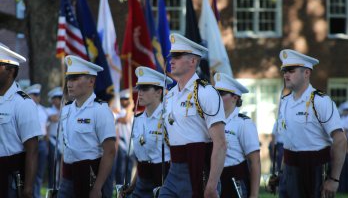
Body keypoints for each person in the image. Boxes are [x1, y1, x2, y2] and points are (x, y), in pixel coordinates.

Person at [159, 33, 227, 198]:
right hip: (174, 170)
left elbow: (220, 143)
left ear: (193, 61)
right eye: (170, 56)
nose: (171, 60)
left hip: (198, 169)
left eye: (177, 56)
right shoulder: (169, 96)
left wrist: (211, 185)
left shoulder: (206, 92)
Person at [276, 49, 347, 198]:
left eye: (291, 70)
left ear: (306, 73)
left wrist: (334, 179)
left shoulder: (320, 101)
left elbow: (340, 139)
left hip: (315, 170)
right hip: (290, 169)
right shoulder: (285, 101)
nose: (286, 75)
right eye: (284, 71)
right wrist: (280, 173)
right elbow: (289, 140)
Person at [57, 55, 116, 198]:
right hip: (67, 179)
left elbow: (109, 151)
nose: (69, 84)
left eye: (75, 78)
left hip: (91, 178)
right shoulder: (66, 111)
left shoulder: (100, 110)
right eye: (69, 79)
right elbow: (66, 149)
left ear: (91, 81)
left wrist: (97, 187)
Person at [122, 66, 173, 197]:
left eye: (145, 89)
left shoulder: (168, 118)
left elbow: (176, 157)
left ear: (158, 92)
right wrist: (132, 186)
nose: (140, 93)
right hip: (141, 184)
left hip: (164, 183)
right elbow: (142, 159)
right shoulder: (138, 119)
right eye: (139, 88)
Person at [0, 43, 42, 198]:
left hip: (11, 176)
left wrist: (28, 188)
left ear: (10, 71)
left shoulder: (23, 103)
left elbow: (33, 149)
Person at [214, 72, 261, 198]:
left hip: (235, 183)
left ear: (235, 97)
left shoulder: (243, 123)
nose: (217, 97)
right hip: (214, 181)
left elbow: (255, 161)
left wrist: (254, 195)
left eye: (222, 94)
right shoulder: (212, 121)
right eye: (215, 93)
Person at [25, 83, 49, 198]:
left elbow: (48, 125)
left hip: (42, 143)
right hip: (29, 143)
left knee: (39, 173)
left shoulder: (44, 110)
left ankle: (37, 195)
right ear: (28, 95)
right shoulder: (24, 109)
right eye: (34, 94)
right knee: (29, 172)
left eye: (38, 95)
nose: (37, 97)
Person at [46, 86, 63, 189]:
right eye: (58, 97)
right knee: (53, 168)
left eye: (61, 97)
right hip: (52, 141)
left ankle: (60, 188)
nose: (60, 99)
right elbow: (53, 118)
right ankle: (52, 189)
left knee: (62, 168)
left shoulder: (65, 110)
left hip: (62, 141)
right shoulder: (47, 110)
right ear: (52, 99)